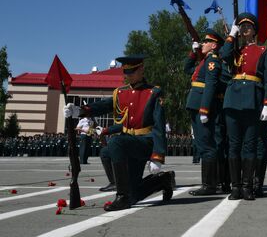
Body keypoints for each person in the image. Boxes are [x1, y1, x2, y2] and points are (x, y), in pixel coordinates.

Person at [64, 55, 174, 211]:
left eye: (132, 71)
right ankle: (164, 180)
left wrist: (157, 156)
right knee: (134, 194)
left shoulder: (153, 92)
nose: (128, 75)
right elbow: (103, 106)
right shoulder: (120, 92)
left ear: (141, 69)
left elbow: (159, 125)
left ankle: (121, 196)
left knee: (115, 143)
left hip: (145, 142)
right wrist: (80, 111)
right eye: (126, 72)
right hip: (128, 143)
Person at [220, 13, 267, 200]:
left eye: (247, 27)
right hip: (233, 101)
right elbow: (223, 55)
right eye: (241, 26)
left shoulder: (263, 51)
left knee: (250, 146)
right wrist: (231, 34)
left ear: (254, 30)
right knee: (234, 146)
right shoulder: (234, 50)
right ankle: (235, 187)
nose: (244, 29)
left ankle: (247, 187)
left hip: (253, 101)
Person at [184, 29, 225, 195]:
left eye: (206, 41)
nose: (203, 43)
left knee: (206, 145)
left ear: (214, 45)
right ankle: (211, 183)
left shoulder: (212, 61)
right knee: (203, 145)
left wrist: (204, 109)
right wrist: (193, 53)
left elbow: (211, 85)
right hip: (196, 103)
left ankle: (209, 185)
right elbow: (187, 69)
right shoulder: (205, 61)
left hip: (202, 105)